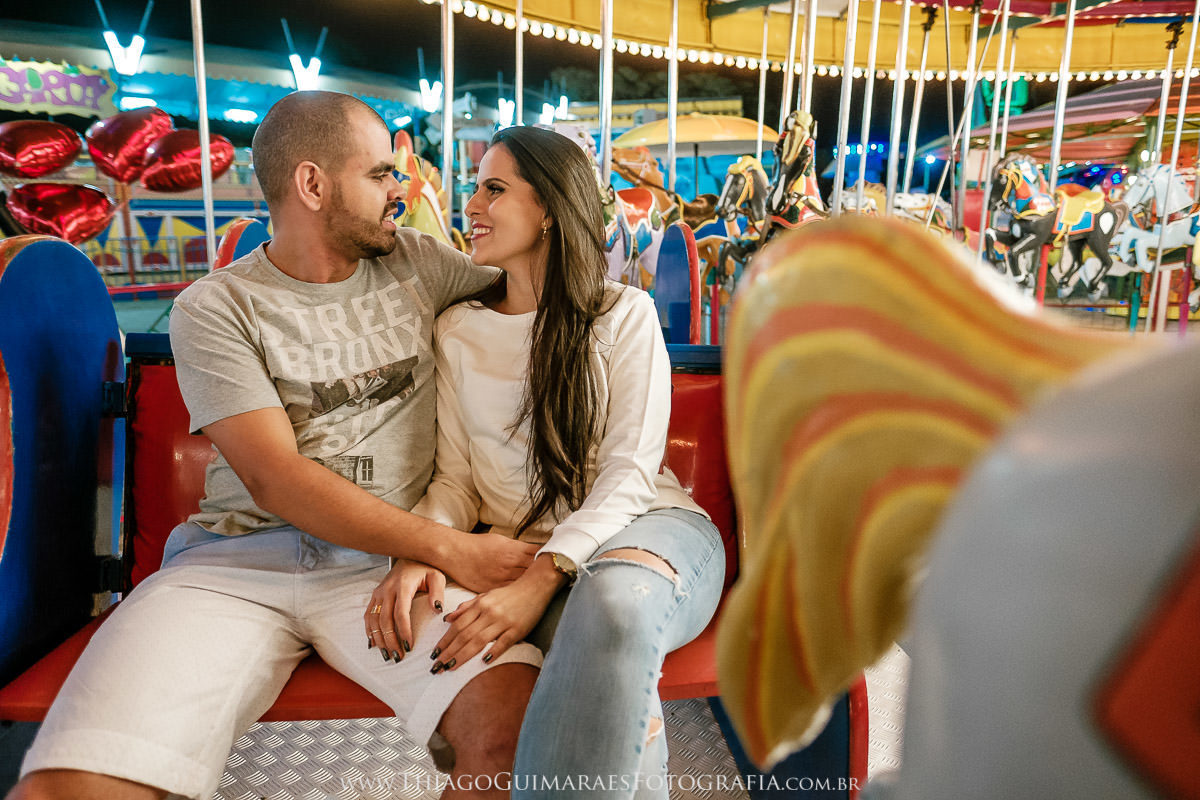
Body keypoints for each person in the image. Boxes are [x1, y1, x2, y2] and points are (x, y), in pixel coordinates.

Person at [7, 91, 542, 800]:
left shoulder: (422, 263)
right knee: (76, 781)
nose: (402, 191)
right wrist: (451, 547)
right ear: (313, 184)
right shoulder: (217, 306)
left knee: (527, 740)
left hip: (389, 569)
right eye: (382, 174)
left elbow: (541, 291)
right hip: (236, 565)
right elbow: (276, 478)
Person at [365, 126, 726, 798]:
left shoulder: (624, 314)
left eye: (494, 188)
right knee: (612, 686)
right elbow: (456, 481)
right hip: (519, 552)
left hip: (644, 529)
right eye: (474, 187)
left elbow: (628, 474)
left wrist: (540, 577)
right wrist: (421, 546)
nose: (471, 204)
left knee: (616, 606)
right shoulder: (459, 329)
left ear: (552, 209)